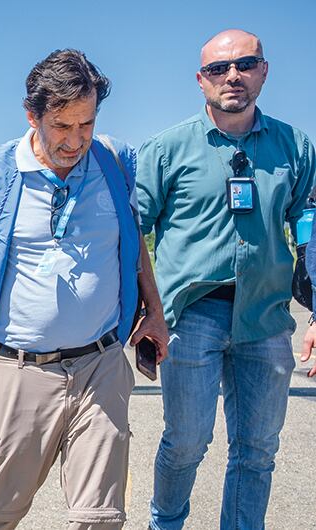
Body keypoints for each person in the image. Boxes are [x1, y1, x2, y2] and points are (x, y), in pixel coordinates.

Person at [0, 49, 169, 529]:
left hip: (101, 363)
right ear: (33, 115)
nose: (76, 140)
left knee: (100, 518)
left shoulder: (114, 161)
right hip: (21, 367)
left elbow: (134, 246)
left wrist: (154, 311)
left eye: (86, 124)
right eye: (63, 126)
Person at [138, 29, 315, 530]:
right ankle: (166, 522)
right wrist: (141, 312)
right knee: (186, 442)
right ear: (201, 80)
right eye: (219, 68)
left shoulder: (295, 147)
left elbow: (312, 233)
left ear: (263, 70)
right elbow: (132, 233)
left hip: (265, 316)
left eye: (244, 64)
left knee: (257, 449)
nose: (232, 76)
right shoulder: (166, 149)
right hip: (190, 317)